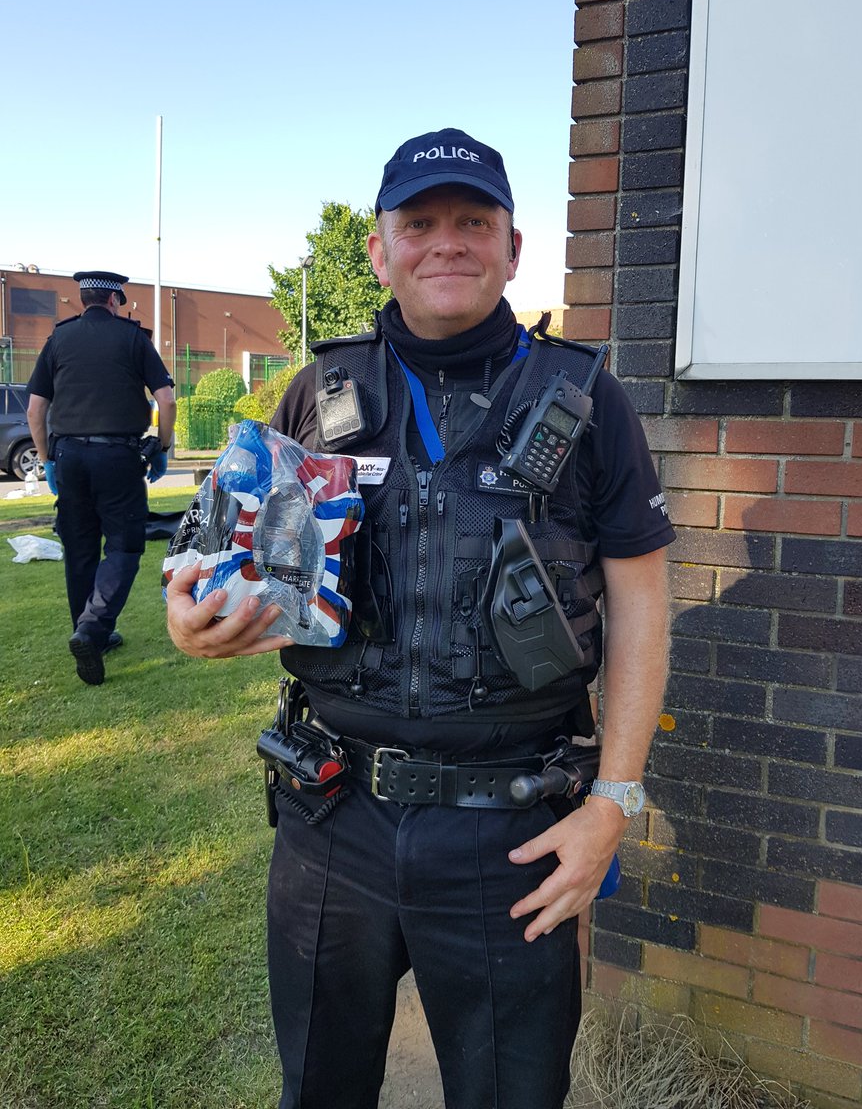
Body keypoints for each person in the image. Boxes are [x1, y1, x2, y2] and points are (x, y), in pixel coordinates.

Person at [166, 128, 674, 1109]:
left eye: (473, 221)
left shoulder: (585, 398)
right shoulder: (319, 390)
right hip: (329, 824)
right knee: (319, 1088)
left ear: (513, 248)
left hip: (510, 832)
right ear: (380, 249)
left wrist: (615, 802)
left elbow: (644, 604)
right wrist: (191, 612)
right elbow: (214, 542)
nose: (447, 242)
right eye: (420, 222)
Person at [26, 270, 176, 686]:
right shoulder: (132, 339)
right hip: (118, 456)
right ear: (115, 301)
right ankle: (93, 631)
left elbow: (36, 411)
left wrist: (47, 460)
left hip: (68, 455)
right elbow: (166, 400)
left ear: (82, 300)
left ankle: (89, 630)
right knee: (124, 548)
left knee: (79, 547)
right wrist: (161, 448)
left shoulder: (58, 339)